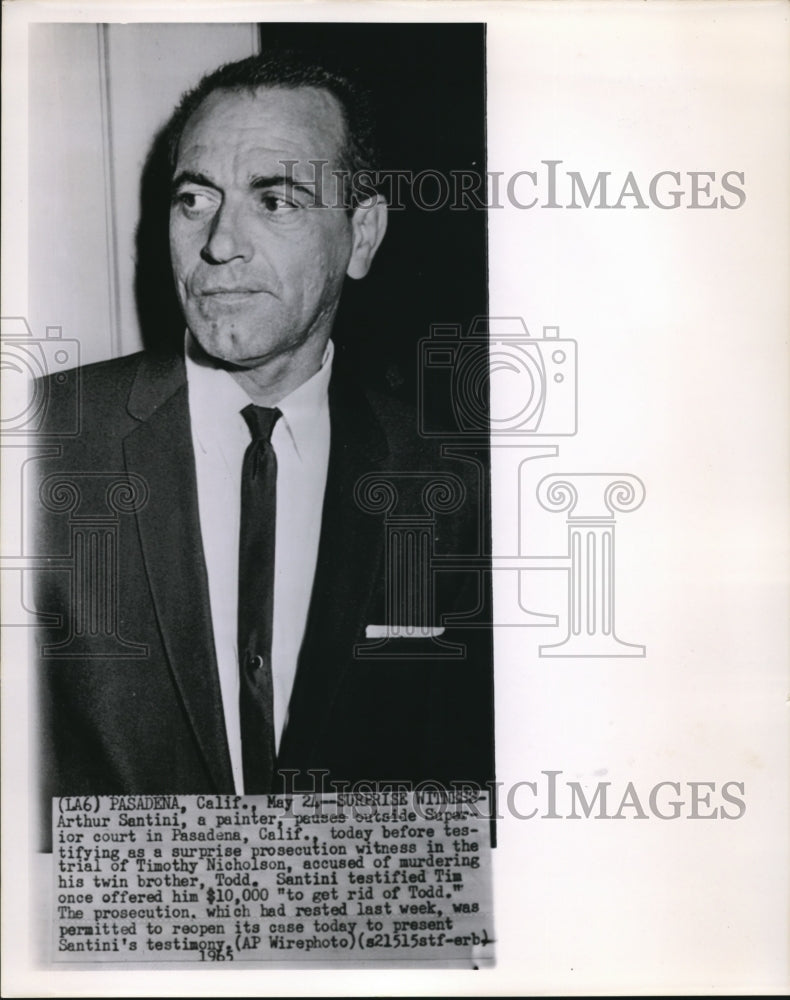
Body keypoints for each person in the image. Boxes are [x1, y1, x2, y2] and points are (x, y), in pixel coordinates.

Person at [33, 51, 493, 831]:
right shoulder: (41, 445)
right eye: (194, 199)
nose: (217, 245)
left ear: (362, 235)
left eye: (274, 199)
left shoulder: (449, 479)